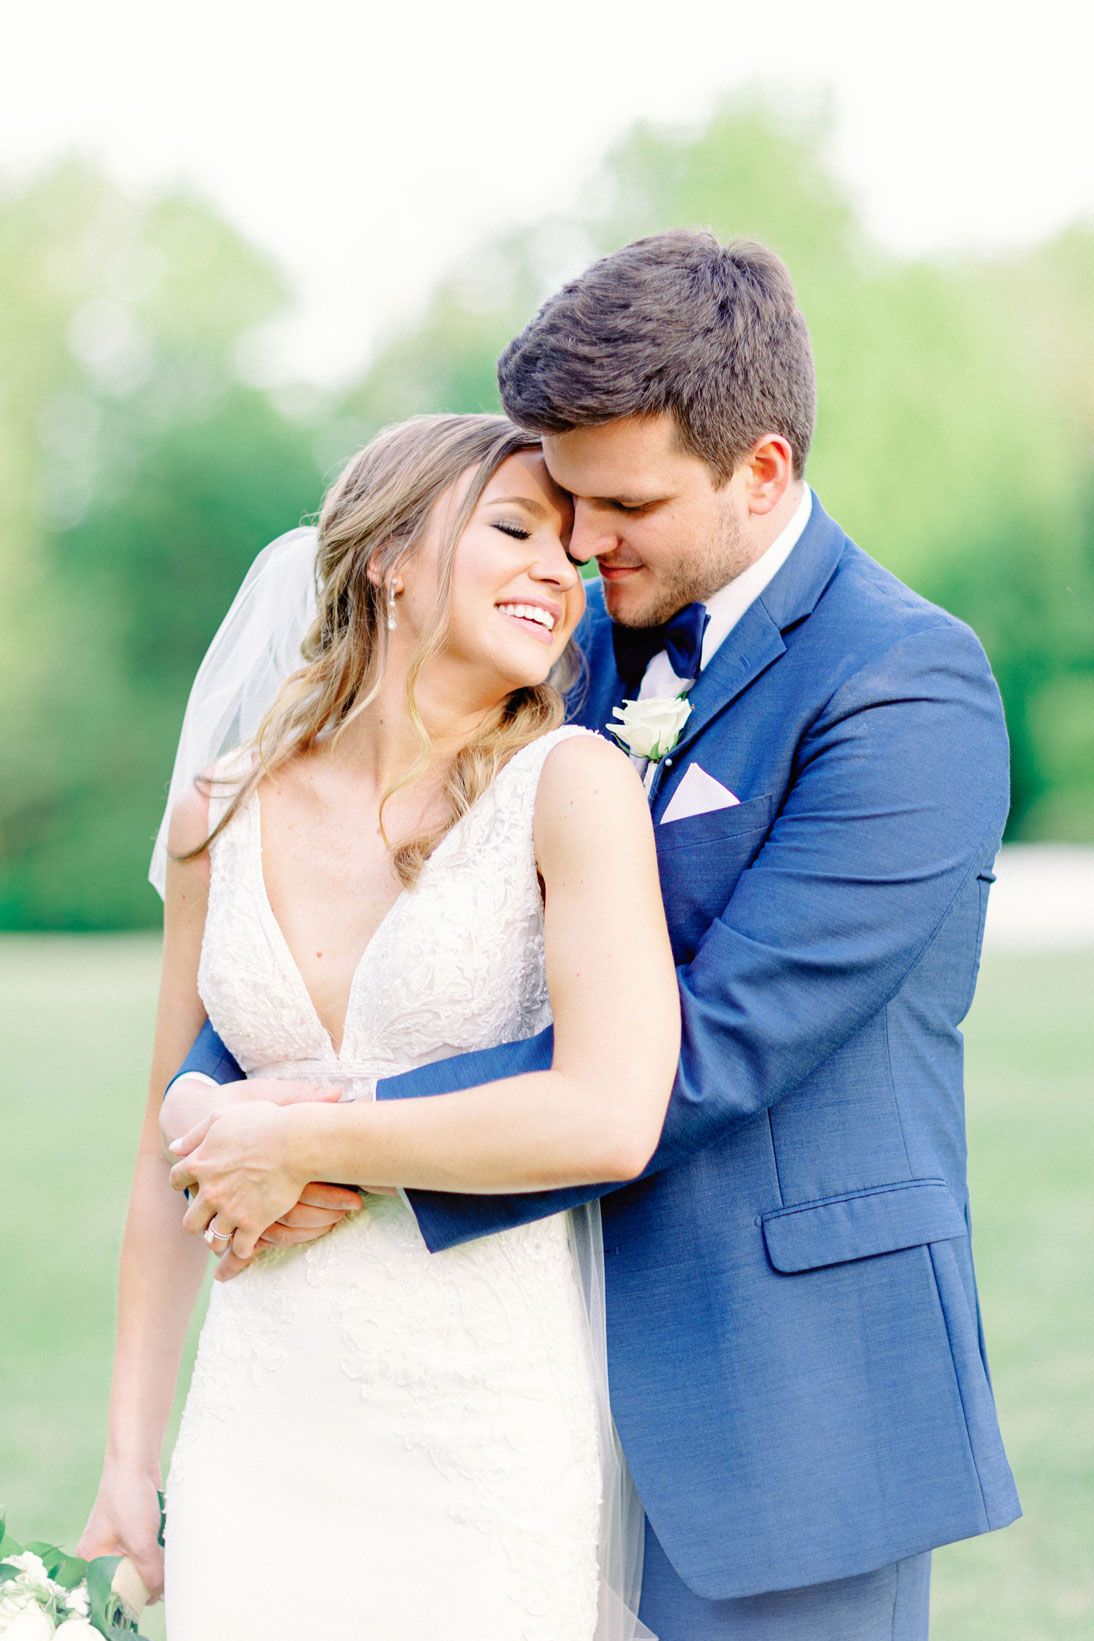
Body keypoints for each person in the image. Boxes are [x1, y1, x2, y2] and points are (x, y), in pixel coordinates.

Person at [168, 231, 1022, 1640]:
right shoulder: (554, 643)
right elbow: (374, 928)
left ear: (760, 470)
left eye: (620, 503)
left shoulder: (902, 688)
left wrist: (324, 1136)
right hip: (505, 1374)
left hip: (775, 1388)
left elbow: (711, 1049)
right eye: (559, 496)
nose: (575, 540)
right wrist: (224, 1092)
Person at [77, 413, 681, 1641]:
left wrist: (307, 1136)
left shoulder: (570, 790)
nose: (554, 577)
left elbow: (608, 1117)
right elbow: (165, 1149)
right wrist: (130, 1462)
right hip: (258, 1416)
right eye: (514, 529)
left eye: (567, 558)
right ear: (388, 558)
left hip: (479, 1427)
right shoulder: (218, 810)